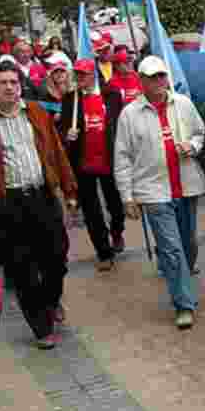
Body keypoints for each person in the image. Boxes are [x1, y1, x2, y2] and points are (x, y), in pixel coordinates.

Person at [0, 61, 77, 349]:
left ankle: (51, 302)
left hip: (42, 197)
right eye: (2, 82)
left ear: (20, 85)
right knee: (22, 267)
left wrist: (69, 189)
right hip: (9, 204)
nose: (9, 88)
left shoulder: (37, 113)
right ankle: (41, 327)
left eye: (14, 82)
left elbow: (55, 151)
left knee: (56, 258)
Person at [114, 56, 205, 330]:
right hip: (154, 192)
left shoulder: (184, 104)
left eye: (162, 76)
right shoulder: (129, 115)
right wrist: (127, 197)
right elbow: (122, 158)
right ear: (141, 81)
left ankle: (183, 285)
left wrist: (192, 145)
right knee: (171, 249)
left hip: (187, 186)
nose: (159, 82)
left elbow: (200, 133)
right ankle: (183, 303)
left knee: (188, 245)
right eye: (152, 78)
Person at [60, 59, 127, 272]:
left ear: (93, 75)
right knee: (91, 210)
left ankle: (117, 232)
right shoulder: (71, 99)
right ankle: (103, 252)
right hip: (83, 163)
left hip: (109, 161)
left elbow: (121, 124)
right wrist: (66, 135)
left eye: (83, 74)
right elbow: (62, 129)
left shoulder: (112, 95)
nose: (79, 79)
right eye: (77, 74)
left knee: (116, 205)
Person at [36, 53, 73, 123]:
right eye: (55, 71)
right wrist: (52, 117)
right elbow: (41, 116)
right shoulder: (45, 94)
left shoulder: (74, 93)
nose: (59, 74)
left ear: (67, 73)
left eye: (62, 71)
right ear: (51, 75)